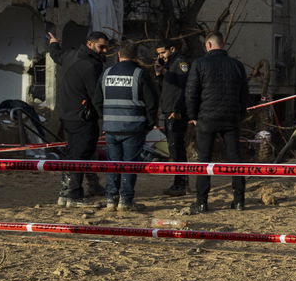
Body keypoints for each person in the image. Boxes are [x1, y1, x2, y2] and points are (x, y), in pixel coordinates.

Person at [184, 32, 249, 213]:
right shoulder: (237, 65)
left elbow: (191, 92)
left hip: (206, 117)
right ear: (223, 44)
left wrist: (193, 115)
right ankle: (238, 200)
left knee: (204, 160)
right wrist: (240, 114)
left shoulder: (200, 64)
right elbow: (245, 93)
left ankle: (202, 201)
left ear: (209, 45)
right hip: (231, 118)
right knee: (235, 160)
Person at [48, 29, 111, 207]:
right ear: (90, 44)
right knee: (80, 154)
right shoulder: (91, 65)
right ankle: (73, 195)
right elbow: (96, 96)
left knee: (80, 152)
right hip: (83, 117)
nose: (104, 51)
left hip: (68, 115)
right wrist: (105, 118)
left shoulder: (70, 54)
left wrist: (53, 43)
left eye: (106, 47)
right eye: (101, 47)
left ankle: (85, 188)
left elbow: (55, 55)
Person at [100, 42, 159, 212]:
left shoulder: (107, 73)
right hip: (133, 127)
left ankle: (111, 198)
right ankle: (125, 201)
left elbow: (97, 99)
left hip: (111, 127)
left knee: (113, 163)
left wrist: (106, 119)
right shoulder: (140, 74)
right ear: (135, 56)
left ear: (119, 55)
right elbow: (152, 102)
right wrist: (149, 123)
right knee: (129, 164)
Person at [154, 39, 191, 195]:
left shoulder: (180, 63)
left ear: (172, 49)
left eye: (163, 52)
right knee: (173, 147)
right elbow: (166, 89)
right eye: (159, 54)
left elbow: (184, 89)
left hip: (176, 112)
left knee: (177, 147)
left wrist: (177, 109)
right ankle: (179, 182)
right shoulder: (169, 66)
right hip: (168, 109)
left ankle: (181, 183)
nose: (161, 56)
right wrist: (159, 74)